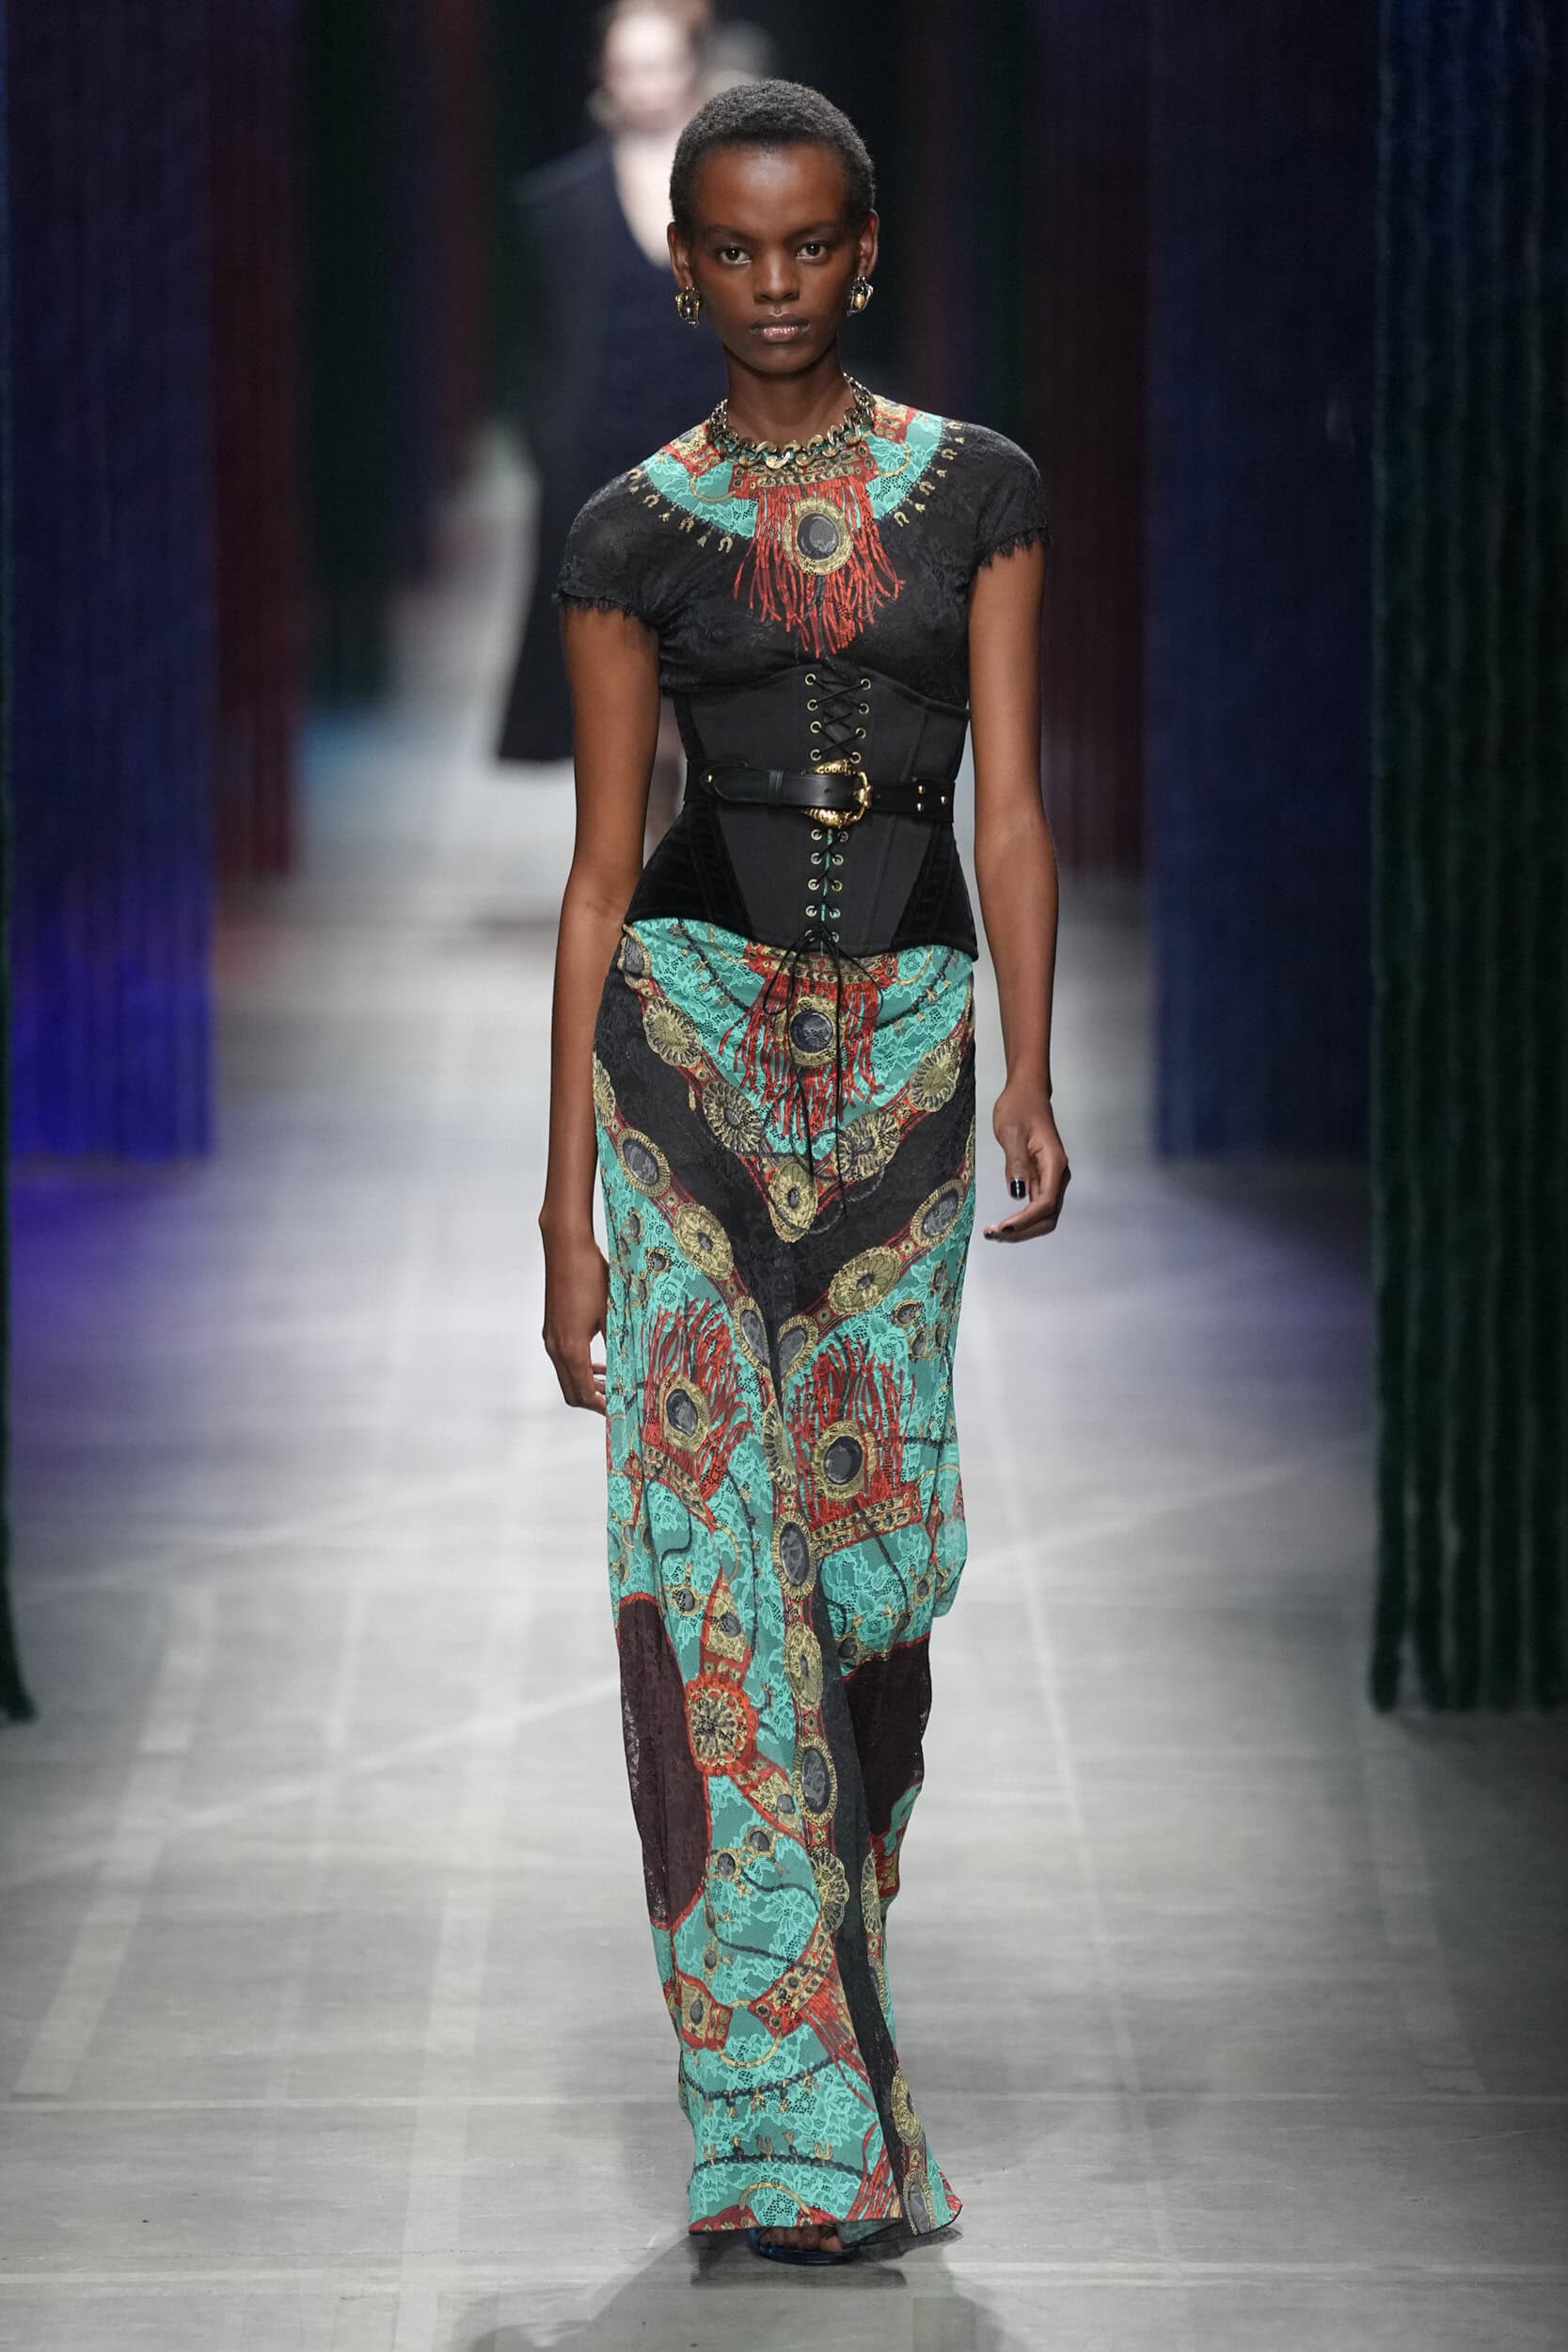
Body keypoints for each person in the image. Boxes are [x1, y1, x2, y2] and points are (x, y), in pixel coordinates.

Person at [538, 79, 1069, 2265]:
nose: (773, 284)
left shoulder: (979, 491)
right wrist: (560, 1211)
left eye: (808, 243)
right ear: (684, 271)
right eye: (733, 250)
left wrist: (1033, 1067)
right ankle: (779, 2128)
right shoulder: (631, 531)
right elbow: (597, 874)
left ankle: (842, 1963)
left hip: (907, 1063)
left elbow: (1008, 806)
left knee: (866, 1566)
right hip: (682, 1050)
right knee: (713, 1579)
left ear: (865, 250)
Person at [494, 0, 724, 806]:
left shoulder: (738, 193)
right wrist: (548, 450)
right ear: (604, 76)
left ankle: (681, 840)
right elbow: (536, 343)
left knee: (709, 675)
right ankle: (653, 846)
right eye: (630, 67)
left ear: (690, 69)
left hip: (720, 470)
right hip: (604, 472)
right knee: (621, 679)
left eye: (660, 65)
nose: (647, 84)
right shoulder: (557, 206)